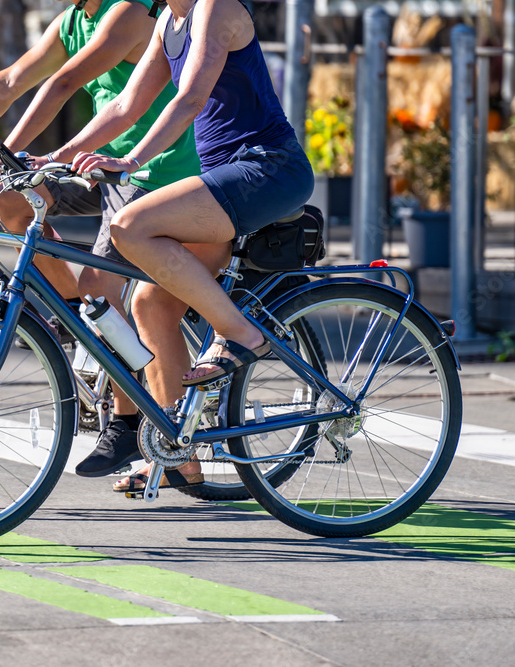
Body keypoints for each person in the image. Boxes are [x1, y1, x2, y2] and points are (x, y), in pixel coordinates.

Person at [0, 0, 202, 478]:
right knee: (12, 200)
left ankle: (124, 424)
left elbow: (63, 83)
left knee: (104, 294)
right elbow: (6, 83)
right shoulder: (72, 21)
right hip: (96, 167)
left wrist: (7, 154)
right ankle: (70, 315)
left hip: (152, 174)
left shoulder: (128, 13)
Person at [59, 0, 314, 491]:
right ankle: (180, 449)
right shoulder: (168, 24)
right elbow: (124, 105)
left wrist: (130, 161)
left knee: (130, 225)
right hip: (225, 177)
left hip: (266, 167)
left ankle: (238, 331)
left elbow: (190, 99)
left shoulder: (214, 9)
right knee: (150, 303)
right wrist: (57, 154)